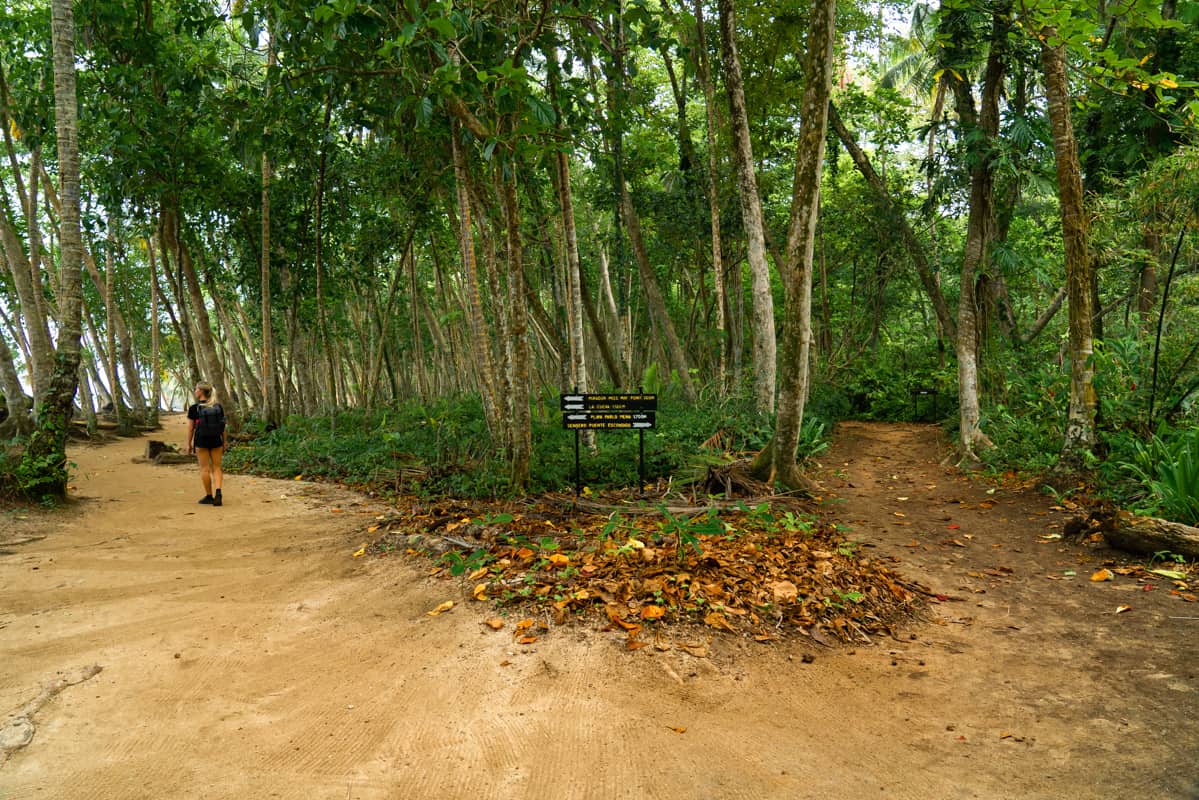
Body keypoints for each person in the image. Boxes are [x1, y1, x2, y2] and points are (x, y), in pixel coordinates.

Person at [187, 381, 226, 507]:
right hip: (216, 439)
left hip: (201, 440)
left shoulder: (194, 408)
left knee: (204, 468)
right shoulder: (218, 407)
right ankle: (218, 492)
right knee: (217, 467)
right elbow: (223, 427)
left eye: (196, 389)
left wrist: (188, 443)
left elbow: (190, 428)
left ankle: (209, 496)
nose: (195, 391)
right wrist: (224, 441)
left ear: (200, 391)